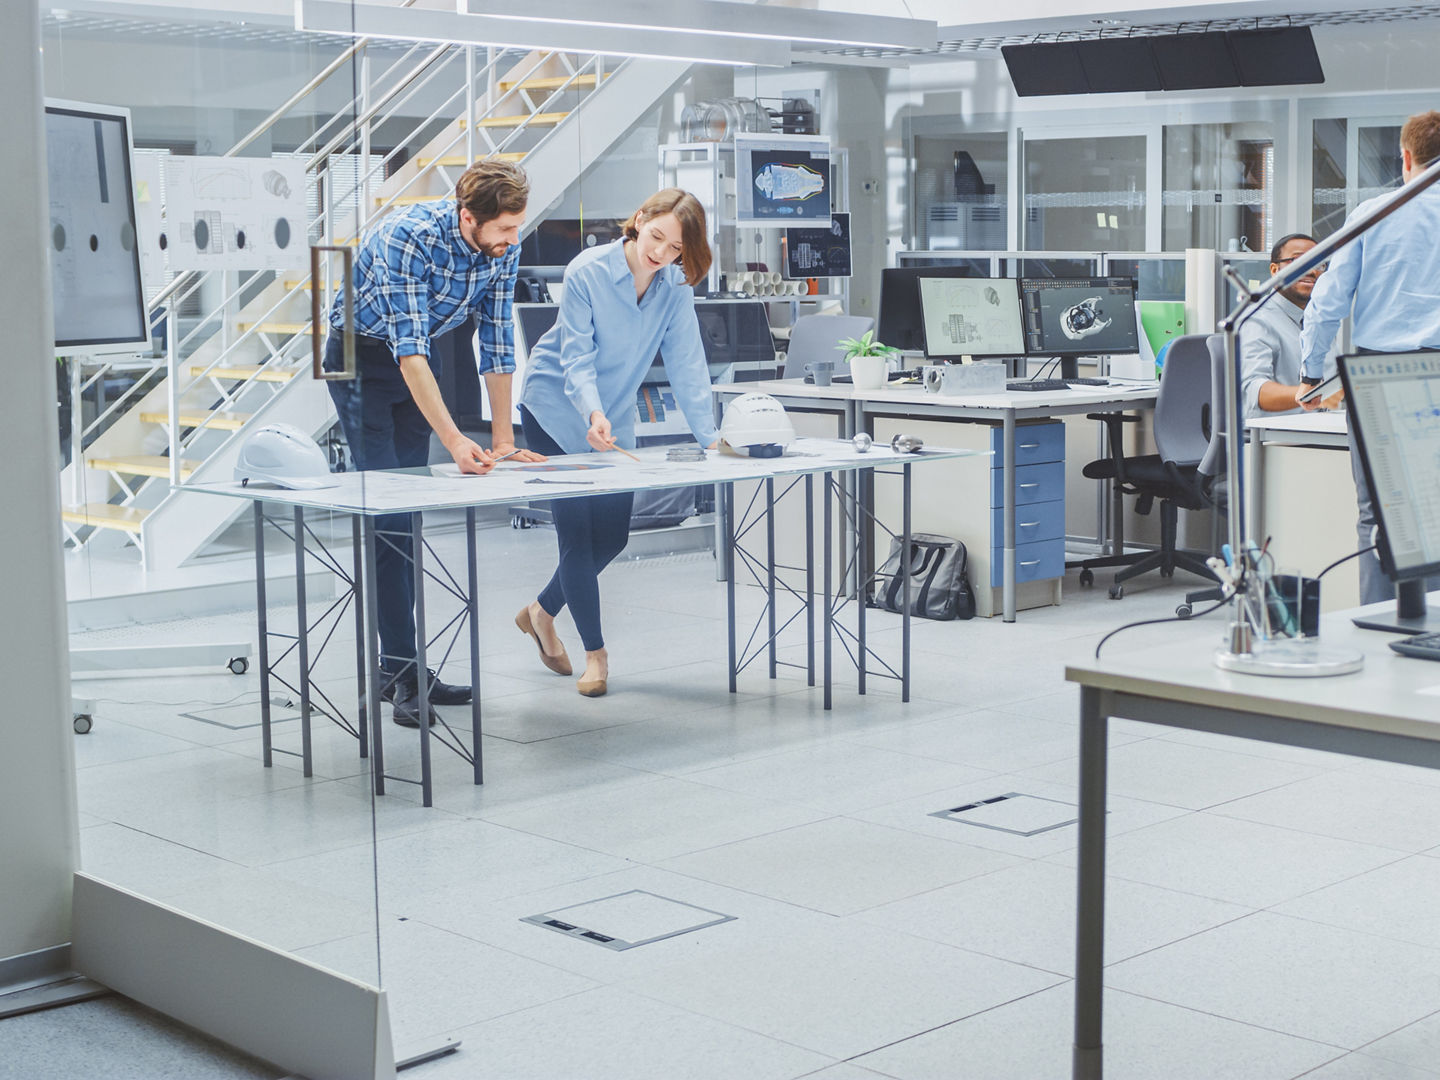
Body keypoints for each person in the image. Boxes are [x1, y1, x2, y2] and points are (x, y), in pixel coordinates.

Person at [324, 160, 546, 727]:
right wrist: (454, 440)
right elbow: (408, 351)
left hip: (423, 354)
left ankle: (398, 666)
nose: (512, 239)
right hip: (361, 358)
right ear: (467, 216)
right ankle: (401, 673)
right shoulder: (408, 237)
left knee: (408, 514)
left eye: (516, 227)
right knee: (388, 515)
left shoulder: (503, 242)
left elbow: (496, 339)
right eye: (502, 229)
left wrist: (502, 440)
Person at [514, 189, 720, 697]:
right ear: (640, 219)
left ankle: (540, 612)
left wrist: (711, 439)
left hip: (614, 417)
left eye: (676, 249)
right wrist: (591, 411)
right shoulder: (588, 271)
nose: (662, 254)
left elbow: (687, 365)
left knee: (613, 538)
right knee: (578, 538)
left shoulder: (674, 288)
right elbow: (575, 357)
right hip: (556, 406)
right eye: (657, 238)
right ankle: (595, 655)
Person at [1297, 109, 1440, 604]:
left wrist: (1309, 373)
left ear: (1406, 156)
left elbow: (1328, 302)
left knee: (1379, 512)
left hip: (1382, 374)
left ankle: (1381, 632)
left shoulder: (1376, 212)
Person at [1240, 232, 1338, 418]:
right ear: (1275, 270)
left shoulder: (1320, 320)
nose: (1312, 271)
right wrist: (1310, 395)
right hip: (1275, 438)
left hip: (1323, 427)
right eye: (1298, 261)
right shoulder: (1257, 319)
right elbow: (1254, 392)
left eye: (1319, 264)